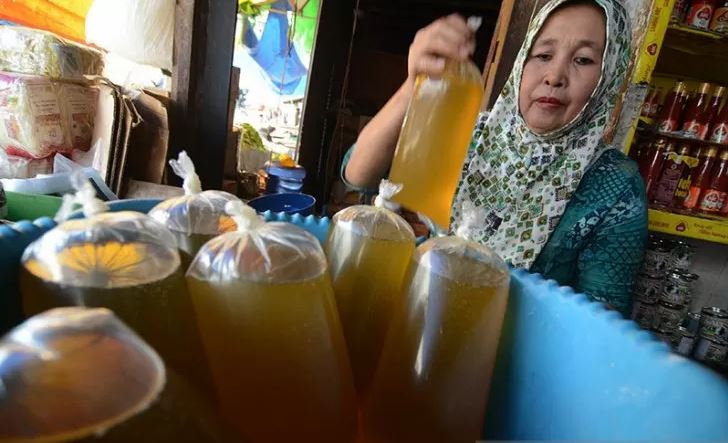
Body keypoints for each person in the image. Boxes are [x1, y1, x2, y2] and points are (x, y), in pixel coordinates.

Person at [342, 0, 647, 316]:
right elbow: (359, 172)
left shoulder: (615, 185)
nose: (555, 76)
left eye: (583, 60)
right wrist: (414, 82)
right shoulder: (471, 133)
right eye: (543, 55)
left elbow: (602, 320)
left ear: (609, 72)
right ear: (522, 63)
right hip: (425, 316)